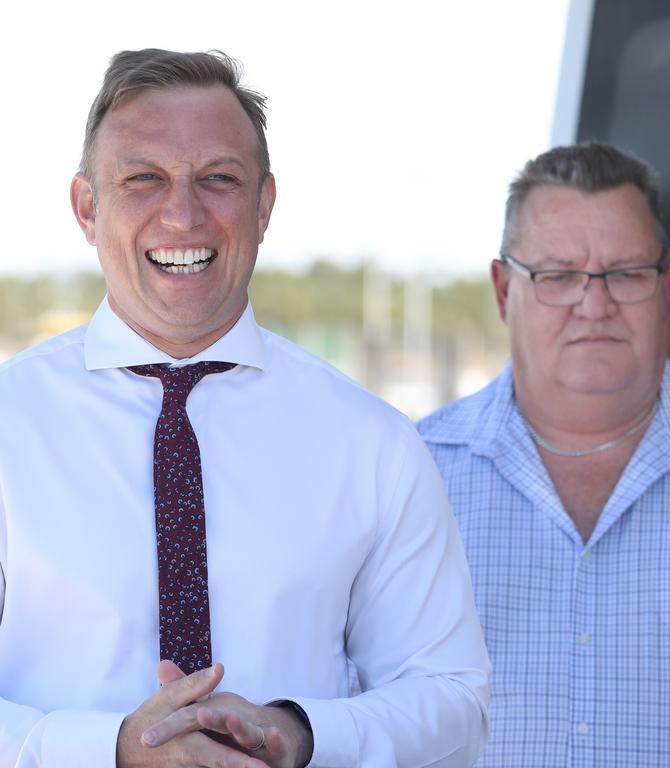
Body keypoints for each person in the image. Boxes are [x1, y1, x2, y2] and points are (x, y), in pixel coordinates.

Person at [0, 49, 489, 768]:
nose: (182, 212)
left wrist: (301, 735)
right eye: (143, 179)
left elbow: (453, 702)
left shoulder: (371, 442)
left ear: (263, 206)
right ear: (85, 207)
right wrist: (111, 751)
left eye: (218, 180)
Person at [418, 142, 670, 767]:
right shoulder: (408, 474)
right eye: (558, 276)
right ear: (504, 291)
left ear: (665, 283)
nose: (595, 303)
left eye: (627, 273)